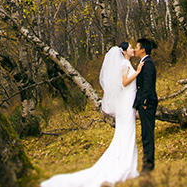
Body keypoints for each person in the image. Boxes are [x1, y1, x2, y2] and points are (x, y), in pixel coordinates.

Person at [40, 42, 142, 187]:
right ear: (125, 52)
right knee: (127, 132)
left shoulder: (126, 63)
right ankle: (126, 167)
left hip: (127, 102)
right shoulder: (125, 65)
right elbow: (124, 82)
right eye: (131, 48)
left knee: (126, 133)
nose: (133, 50)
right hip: (125, 105)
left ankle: (128, 164)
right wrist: (137, 73)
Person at [132, 37, 158, 174]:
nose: (135, 49)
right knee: (145, 133)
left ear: (142, 49)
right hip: (144, 103)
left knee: (147, 133)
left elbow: (147, 85)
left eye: (137, 47)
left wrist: (144, 102)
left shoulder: (148, 64)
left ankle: (148, 165)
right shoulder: (144, 62)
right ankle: (147, 163)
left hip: (148, 103)